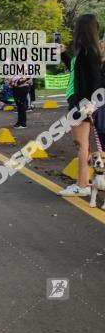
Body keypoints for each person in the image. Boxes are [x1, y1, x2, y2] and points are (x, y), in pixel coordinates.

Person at [59, 14, 104, 198]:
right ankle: (84, 183)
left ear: (82, 29)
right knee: (80, 144)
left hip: (82, 105)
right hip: (76, 102)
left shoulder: (89, 52)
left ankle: (82, 185)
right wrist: (63, 54)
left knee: (82, 145)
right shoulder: (84, 51)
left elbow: (96, 79)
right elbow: (76, 72)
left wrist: (92, 104)